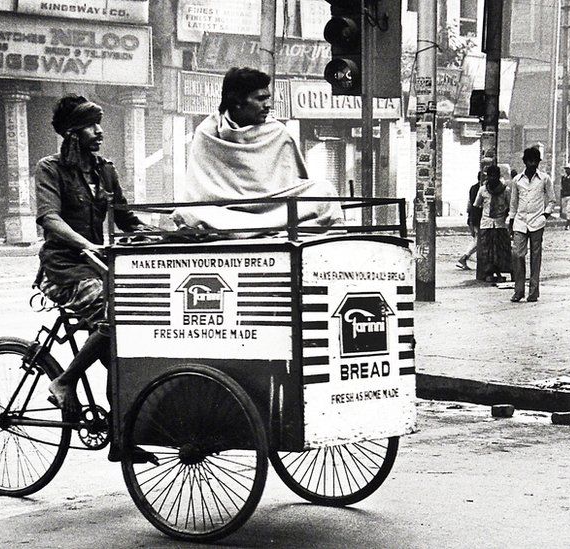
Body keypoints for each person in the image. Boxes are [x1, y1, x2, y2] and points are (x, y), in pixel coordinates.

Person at [34, 94, 145, 414]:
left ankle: (122, 424)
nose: (99, 132)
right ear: (72, 134)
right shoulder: (50, 169)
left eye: (99, 124)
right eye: (90, 126)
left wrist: (169, 234)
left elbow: (127, 220)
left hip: (98, 266)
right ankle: (64, 381)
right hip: (63, 268)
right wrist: (86, 245)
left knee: (134, 326)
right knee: (113, 314)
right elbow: (49, 218)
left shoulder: (105, 170)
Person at [174, 67, 341, 231]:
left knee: (324, 189)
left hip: (275, 209)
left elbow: (294, 184)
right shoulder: (207, 133)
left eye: (268, 98)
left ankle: (253, 228)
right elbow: (198, 192)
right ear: (237, 102)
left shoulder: (278, 132)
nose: (268, 105)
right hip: (226, 212)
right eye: (260, 99)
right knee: (190, 212)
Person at [508, 146, 554, 302]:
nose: (533, 164)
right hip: (520, 222)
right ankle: (518, 290)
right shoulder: (516, 181)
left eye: (535, 161)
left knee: (536, 257)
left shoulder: (545, 179)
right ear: (525, 162)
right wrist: (511, 221)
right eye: (530, 161)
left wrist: (545, 215)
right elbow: (513, 203)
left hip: (537, 222)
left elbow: (551, 199)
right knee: (518, 254)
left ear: (539, 162)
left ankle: (533, 291)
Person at [473, 165, 512, 282]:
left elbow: (510, 207)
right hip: (486, 224)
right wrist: (474, 224)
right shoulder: (483, 190)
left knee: (500, 251)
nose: (493, 178)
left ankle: (500, 273)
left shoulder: (506, 190)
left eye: (495, 176)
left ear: (499, 176)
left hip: (500, 225)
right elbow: (476, 206)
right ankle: (487, 273)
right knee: (486, 250)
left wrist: (508, 221)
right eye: (491, 176)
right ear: (487, 176)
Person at [456, 172, 483, 270]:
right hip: (478, 217)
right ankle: (465, 257)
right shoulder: (481, 189)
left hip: (473, 217)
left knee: (477, 239)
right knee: (478, 240)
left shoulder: (473, 188)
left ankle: (466, 257)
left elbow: (469, 204)